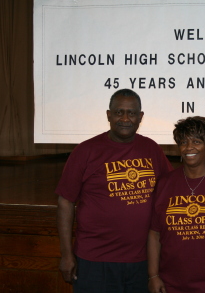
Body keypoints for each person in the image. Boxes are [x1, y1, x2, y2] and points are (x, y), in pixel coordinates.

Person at [56, 89, 172, 293]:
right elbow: (65, 201)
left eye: (132, 113)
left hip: (141, 261)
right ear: (108, 115)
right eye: (119, 112)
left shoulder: (152, 149)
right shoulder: (85, 151)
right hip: (94, 261)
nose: (125, 118)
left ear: (141, 117)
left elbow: (170, 190)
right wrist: (66, 255)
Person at [148, 116, 205, 293]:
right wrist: (153, 275)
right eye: (183, 142)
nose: (189, 147)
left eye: (196, 141)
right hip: (170, 284)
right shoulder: (164, 184)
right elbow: (154, 234)